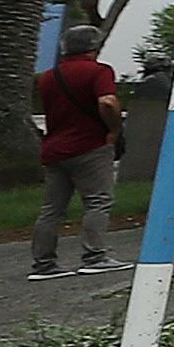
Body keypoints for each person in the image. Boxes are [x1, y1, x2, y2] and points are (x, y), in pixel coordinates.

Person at [31, 38, 128, 281]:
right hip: (89, 145)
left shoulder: (48, 77)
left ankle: (44, 263)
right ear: (93, 47)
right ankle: (94, 257)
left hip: (54, 148)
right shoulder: (99, 71)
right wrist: (114, 129)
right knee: (98, 201)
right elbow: (107, 101)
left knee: (52, 209)